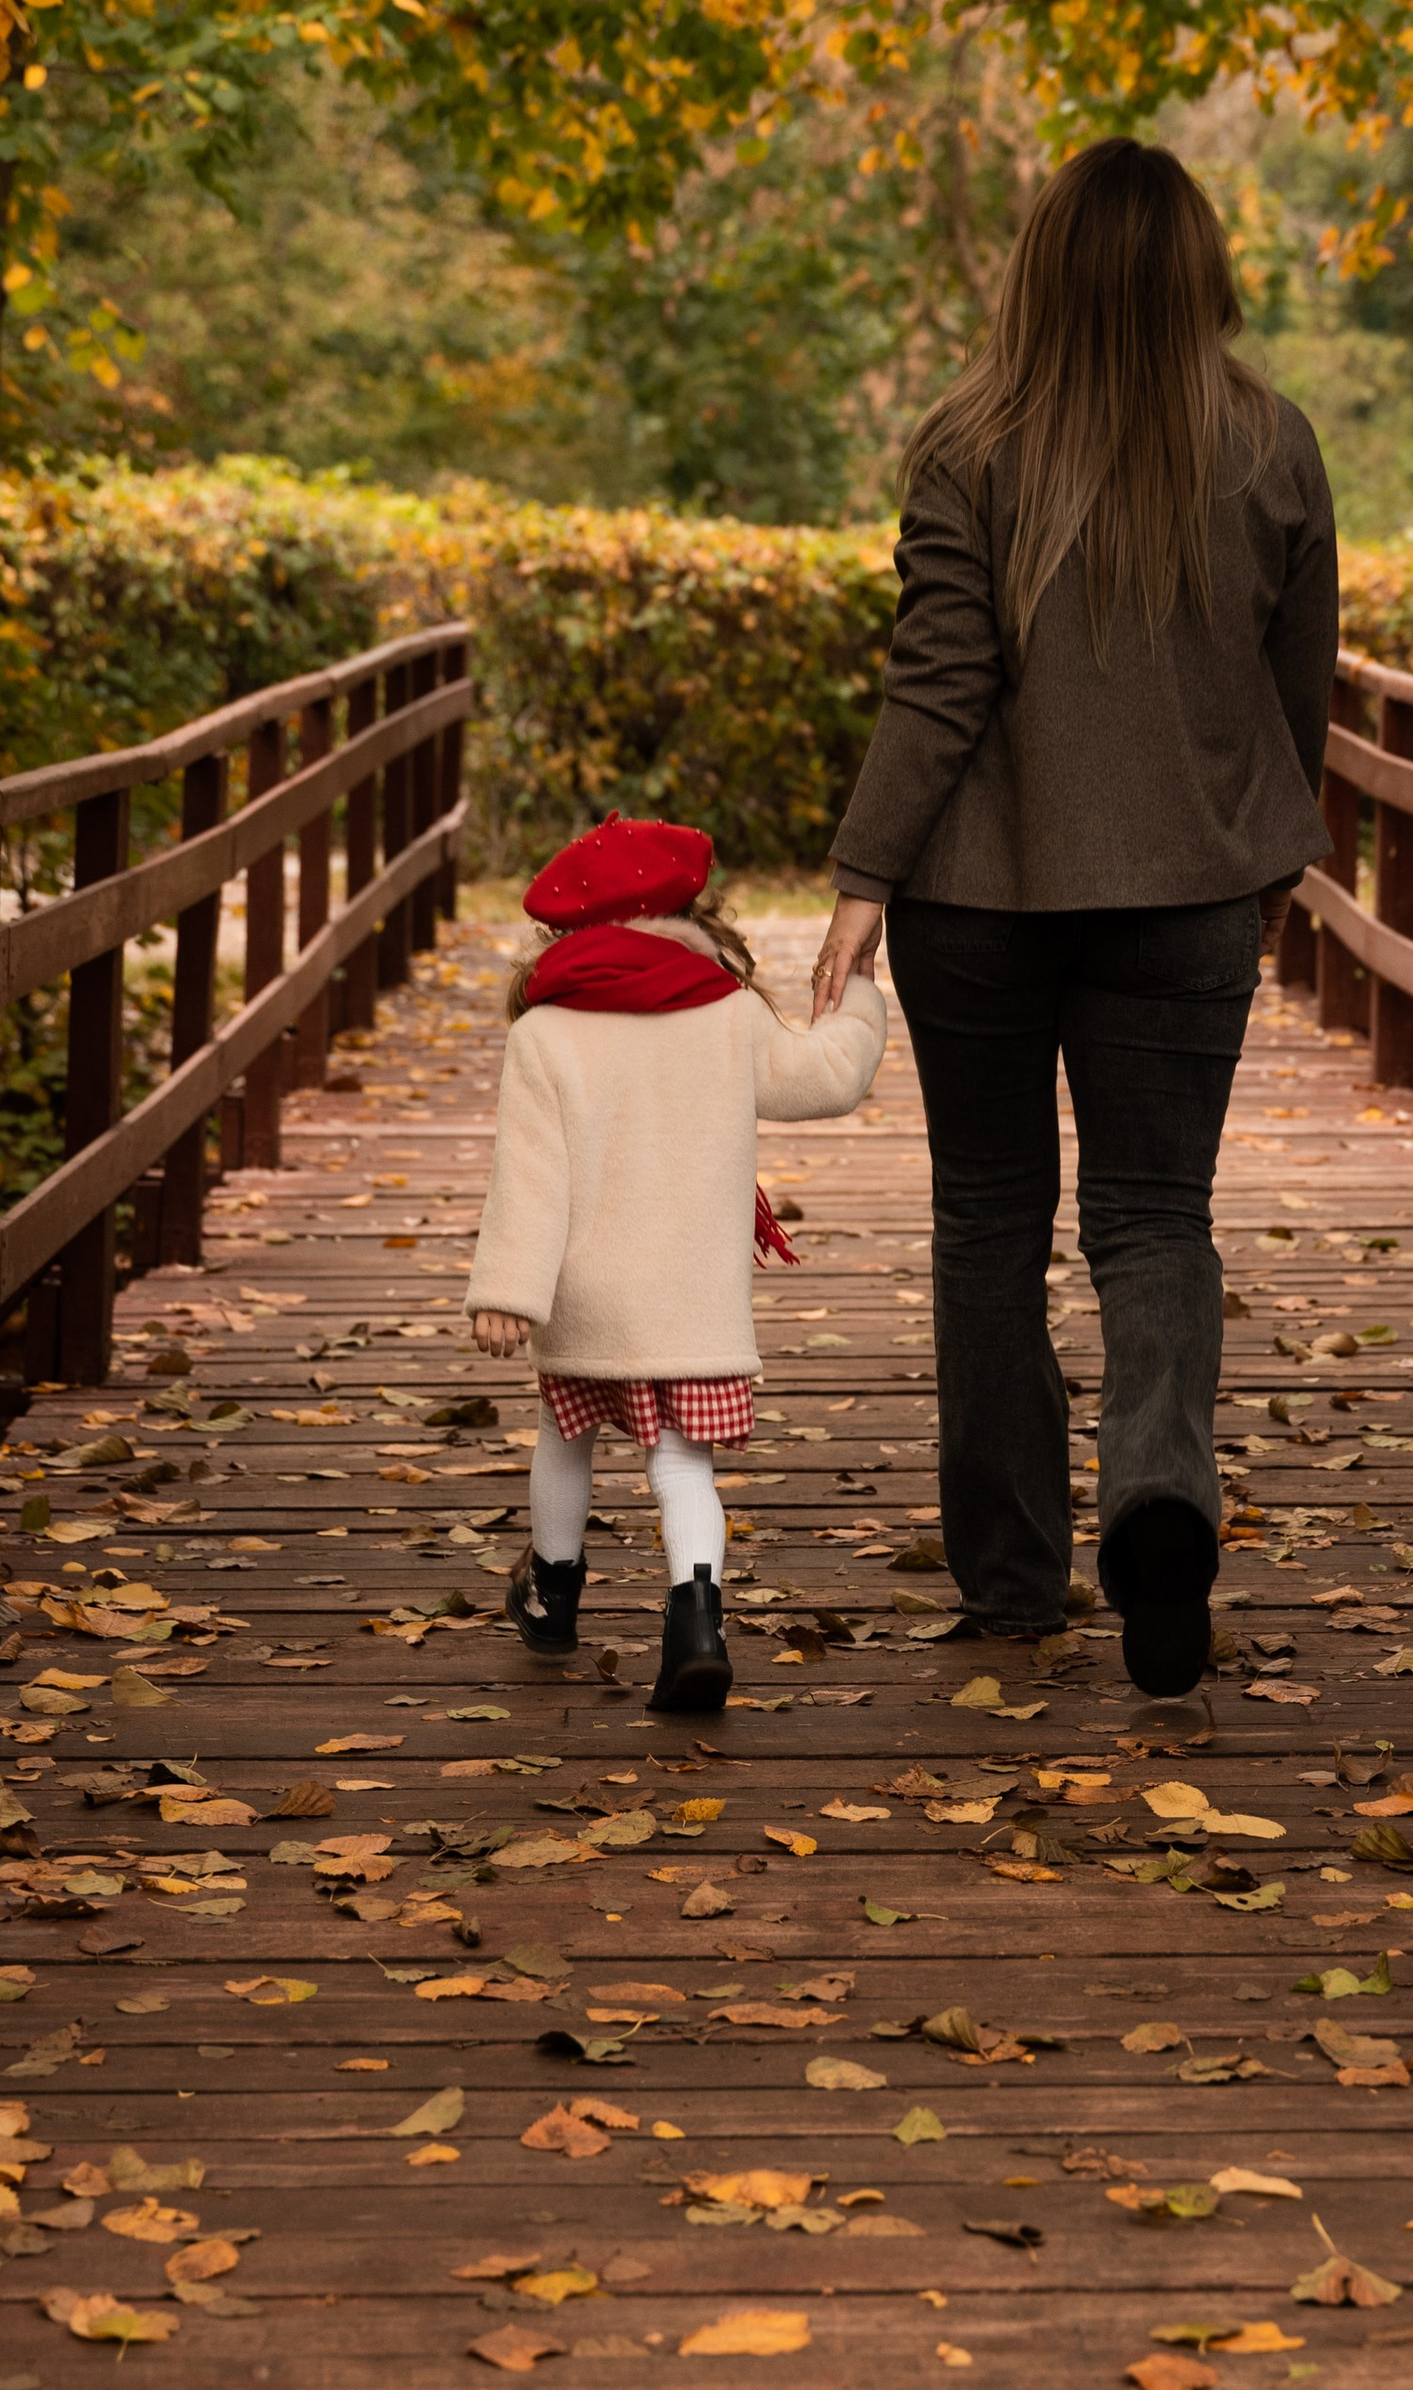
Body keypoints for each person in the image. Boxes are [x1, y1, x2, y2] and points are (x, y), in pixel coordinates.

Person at [811, 136, 1337, 1702]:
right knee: (1155, 1216)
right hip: (1187, 892)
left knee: (988, 1222)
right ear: (1201, 270)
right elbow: (1296, 691)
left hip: (977, 897)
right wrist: (1265, 849)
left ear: (1038, 264)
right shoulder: (1273, 444)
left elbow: (940, 682)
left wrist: (862, 873)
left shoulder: (970, 442)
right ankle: (1162, 1495)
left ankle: (1015, 1581)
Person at [466, 812, 886, 1709]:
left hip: (585, 1299)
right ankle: (696, 1620)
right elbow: (830, 1075)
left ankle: (552, 1594)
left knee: (565, 1437)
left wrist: (508, 1290)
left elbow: (530, 1177)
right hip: (690, 1304)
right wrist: (861, 991)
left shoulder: (544, 1033)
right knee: (682, 1467)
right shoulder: (728, 1015)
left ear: (568, 930)